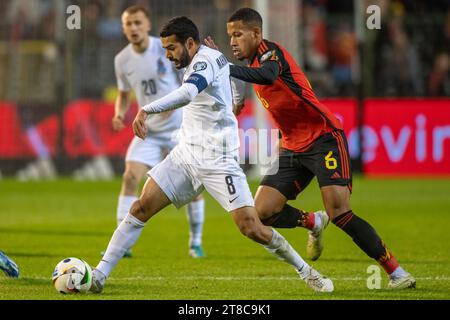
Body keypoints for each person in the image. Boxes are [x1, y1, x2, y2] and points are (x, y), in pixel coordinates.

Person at [89, 16, 334, 293]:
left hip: (219, 161)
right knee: (140, 208)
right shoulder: (209, 56)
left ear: (190, 43)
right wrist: (235, 100)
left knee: (252, 228)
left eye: (171, 48)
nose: (168, 55)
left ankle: (306, 271)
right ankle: (99, 275)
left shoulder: (204, 61)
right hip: (186, 155)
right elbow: (225, 79)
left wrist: (146, 109)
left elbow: (188, 93)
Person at [204, 7, 415, 289]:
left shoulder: (270, 53)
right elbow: (240, 82)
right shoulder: (247, 63)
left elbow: (267, 76)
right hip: (290, 145)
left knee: (340, 213)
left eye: (238, 34)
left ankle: (396, 272)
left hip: (323, 137)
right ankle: (313, 222)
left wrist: (221, 65)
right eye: (230, 36)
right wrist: (235, 98)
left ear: (256, 33)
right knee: (262, 212)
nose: (232, 41)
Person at [108, 5, 205, 258]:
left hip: (179, 128)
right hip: (148, 130)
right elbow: (123, 94)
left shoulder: (165, 48)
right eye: (128, 24)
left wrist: (175, 104)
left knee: (192, 187)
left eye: (138, 23)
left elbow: (188, 78)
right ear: (123, 28)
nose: (134, 28)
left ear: (147, 25)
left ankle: (195, 242)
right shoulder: (122, 60)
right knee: (130, 176)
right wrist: (119, 112)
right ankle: (123, 243)